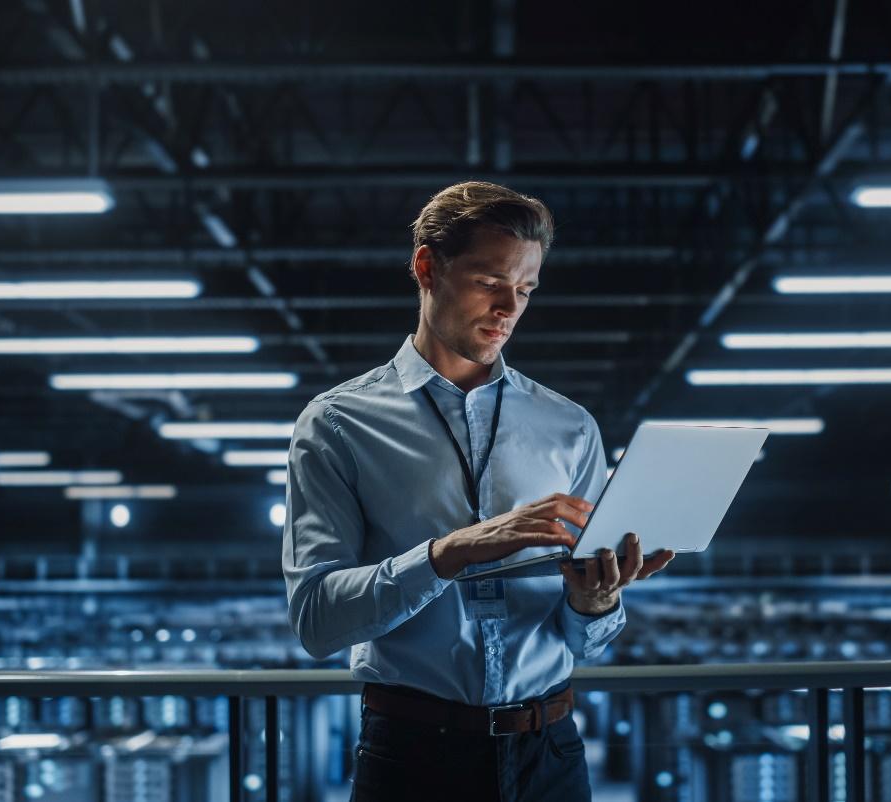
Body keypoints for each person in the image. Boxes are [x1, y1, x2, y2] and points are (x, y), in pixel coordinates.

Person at [282, 181, 675, 801]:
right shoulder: (338, 424)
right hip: (412, 756)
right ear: (426, 267)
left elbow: (588, 642)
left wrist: (594, 600)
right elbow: (317, 620)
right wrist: (451, 552)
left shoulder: (569, 427)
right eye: (490, 281)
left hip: (551, 751)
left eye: (525, 289)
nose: (509, 309)